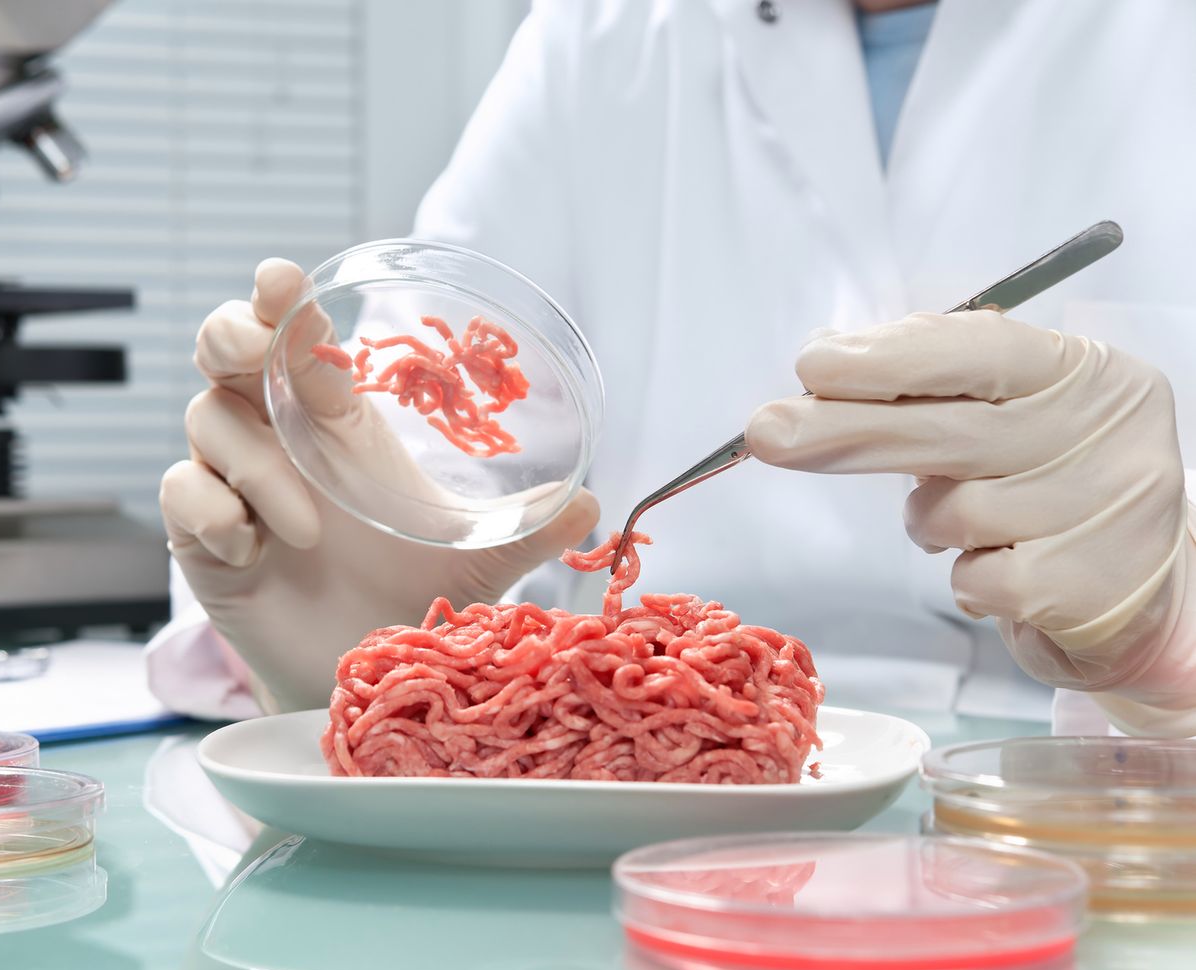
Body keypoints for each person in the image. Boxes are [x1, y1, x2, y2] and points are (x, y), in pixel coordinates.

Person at [149, 0, 1196, 735]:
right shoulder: (604, 32)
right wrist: (372, 615)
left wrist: (1173, 654)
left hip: (1104, 804)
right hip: (634, 824)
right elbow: (420, 441)